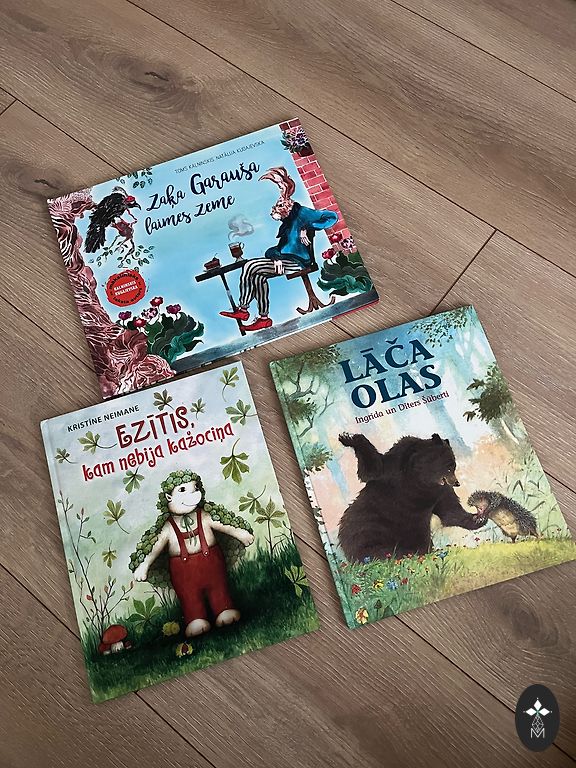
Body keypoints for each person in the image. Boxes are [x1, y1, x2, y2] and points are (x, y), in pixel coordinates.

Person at [220, 167, 338, 331]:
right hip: (285, 260)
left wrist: (307, 226)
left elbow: (332, 217)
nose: (273, 211)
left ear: (287, 205)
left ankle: (243, 309)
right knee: (258, 276)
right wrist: (276, 258)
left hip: (298, 262)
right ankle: (263, 318)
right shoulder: (287, 223)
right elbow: (277, 249)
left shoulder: (302, 213)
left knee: (250, 266)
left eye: (277, 207)